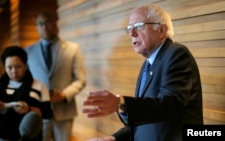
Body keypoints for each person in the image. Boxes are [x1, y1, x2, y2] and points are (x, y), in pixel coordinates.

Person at [82, 4, 203, 141]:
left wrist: (121, 103)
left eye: (139, 26)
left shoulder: (177, 54)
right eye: (129, 28)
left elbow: (169, 106)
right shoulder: (147, 65)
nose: (132, 33)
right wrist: (113, 138)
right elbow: (145, 119)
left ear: (162, 30)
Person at [25, 11, 86, 141]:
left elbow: (80, 79)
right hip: (39, 111)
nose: (44, 27)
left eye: (48, 22)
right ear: (36, 27)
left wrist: (64, 95)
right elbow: (26, 81)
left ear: (55, 24)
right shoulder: (28, 52)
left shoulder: (72, 48)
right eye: (40, 23)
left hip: (64, 111)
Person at [0, 46, 52, 141]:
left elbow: (47, 113)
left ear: (25, 65)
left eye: (18, 66)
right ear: (4, 67)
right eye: (9, 67)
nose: (14, 71)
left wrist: (29, 109)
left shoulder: (39, 86)